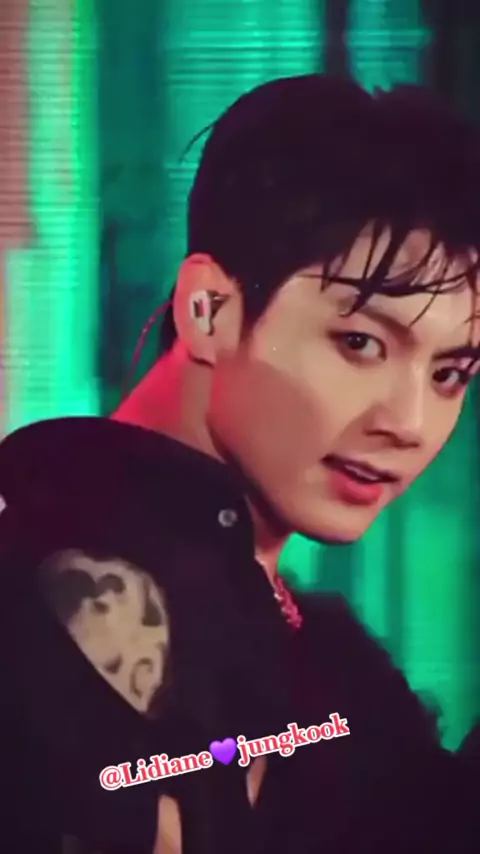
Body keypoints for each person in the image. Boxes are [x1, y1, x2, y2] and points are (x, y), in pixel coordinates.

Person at [1, 74, 480, 854]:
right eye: (360, 343)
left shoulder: (335, 671)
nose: (409, 424)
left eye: (451, 373)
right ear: (210, 310)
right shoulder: (43, 587)